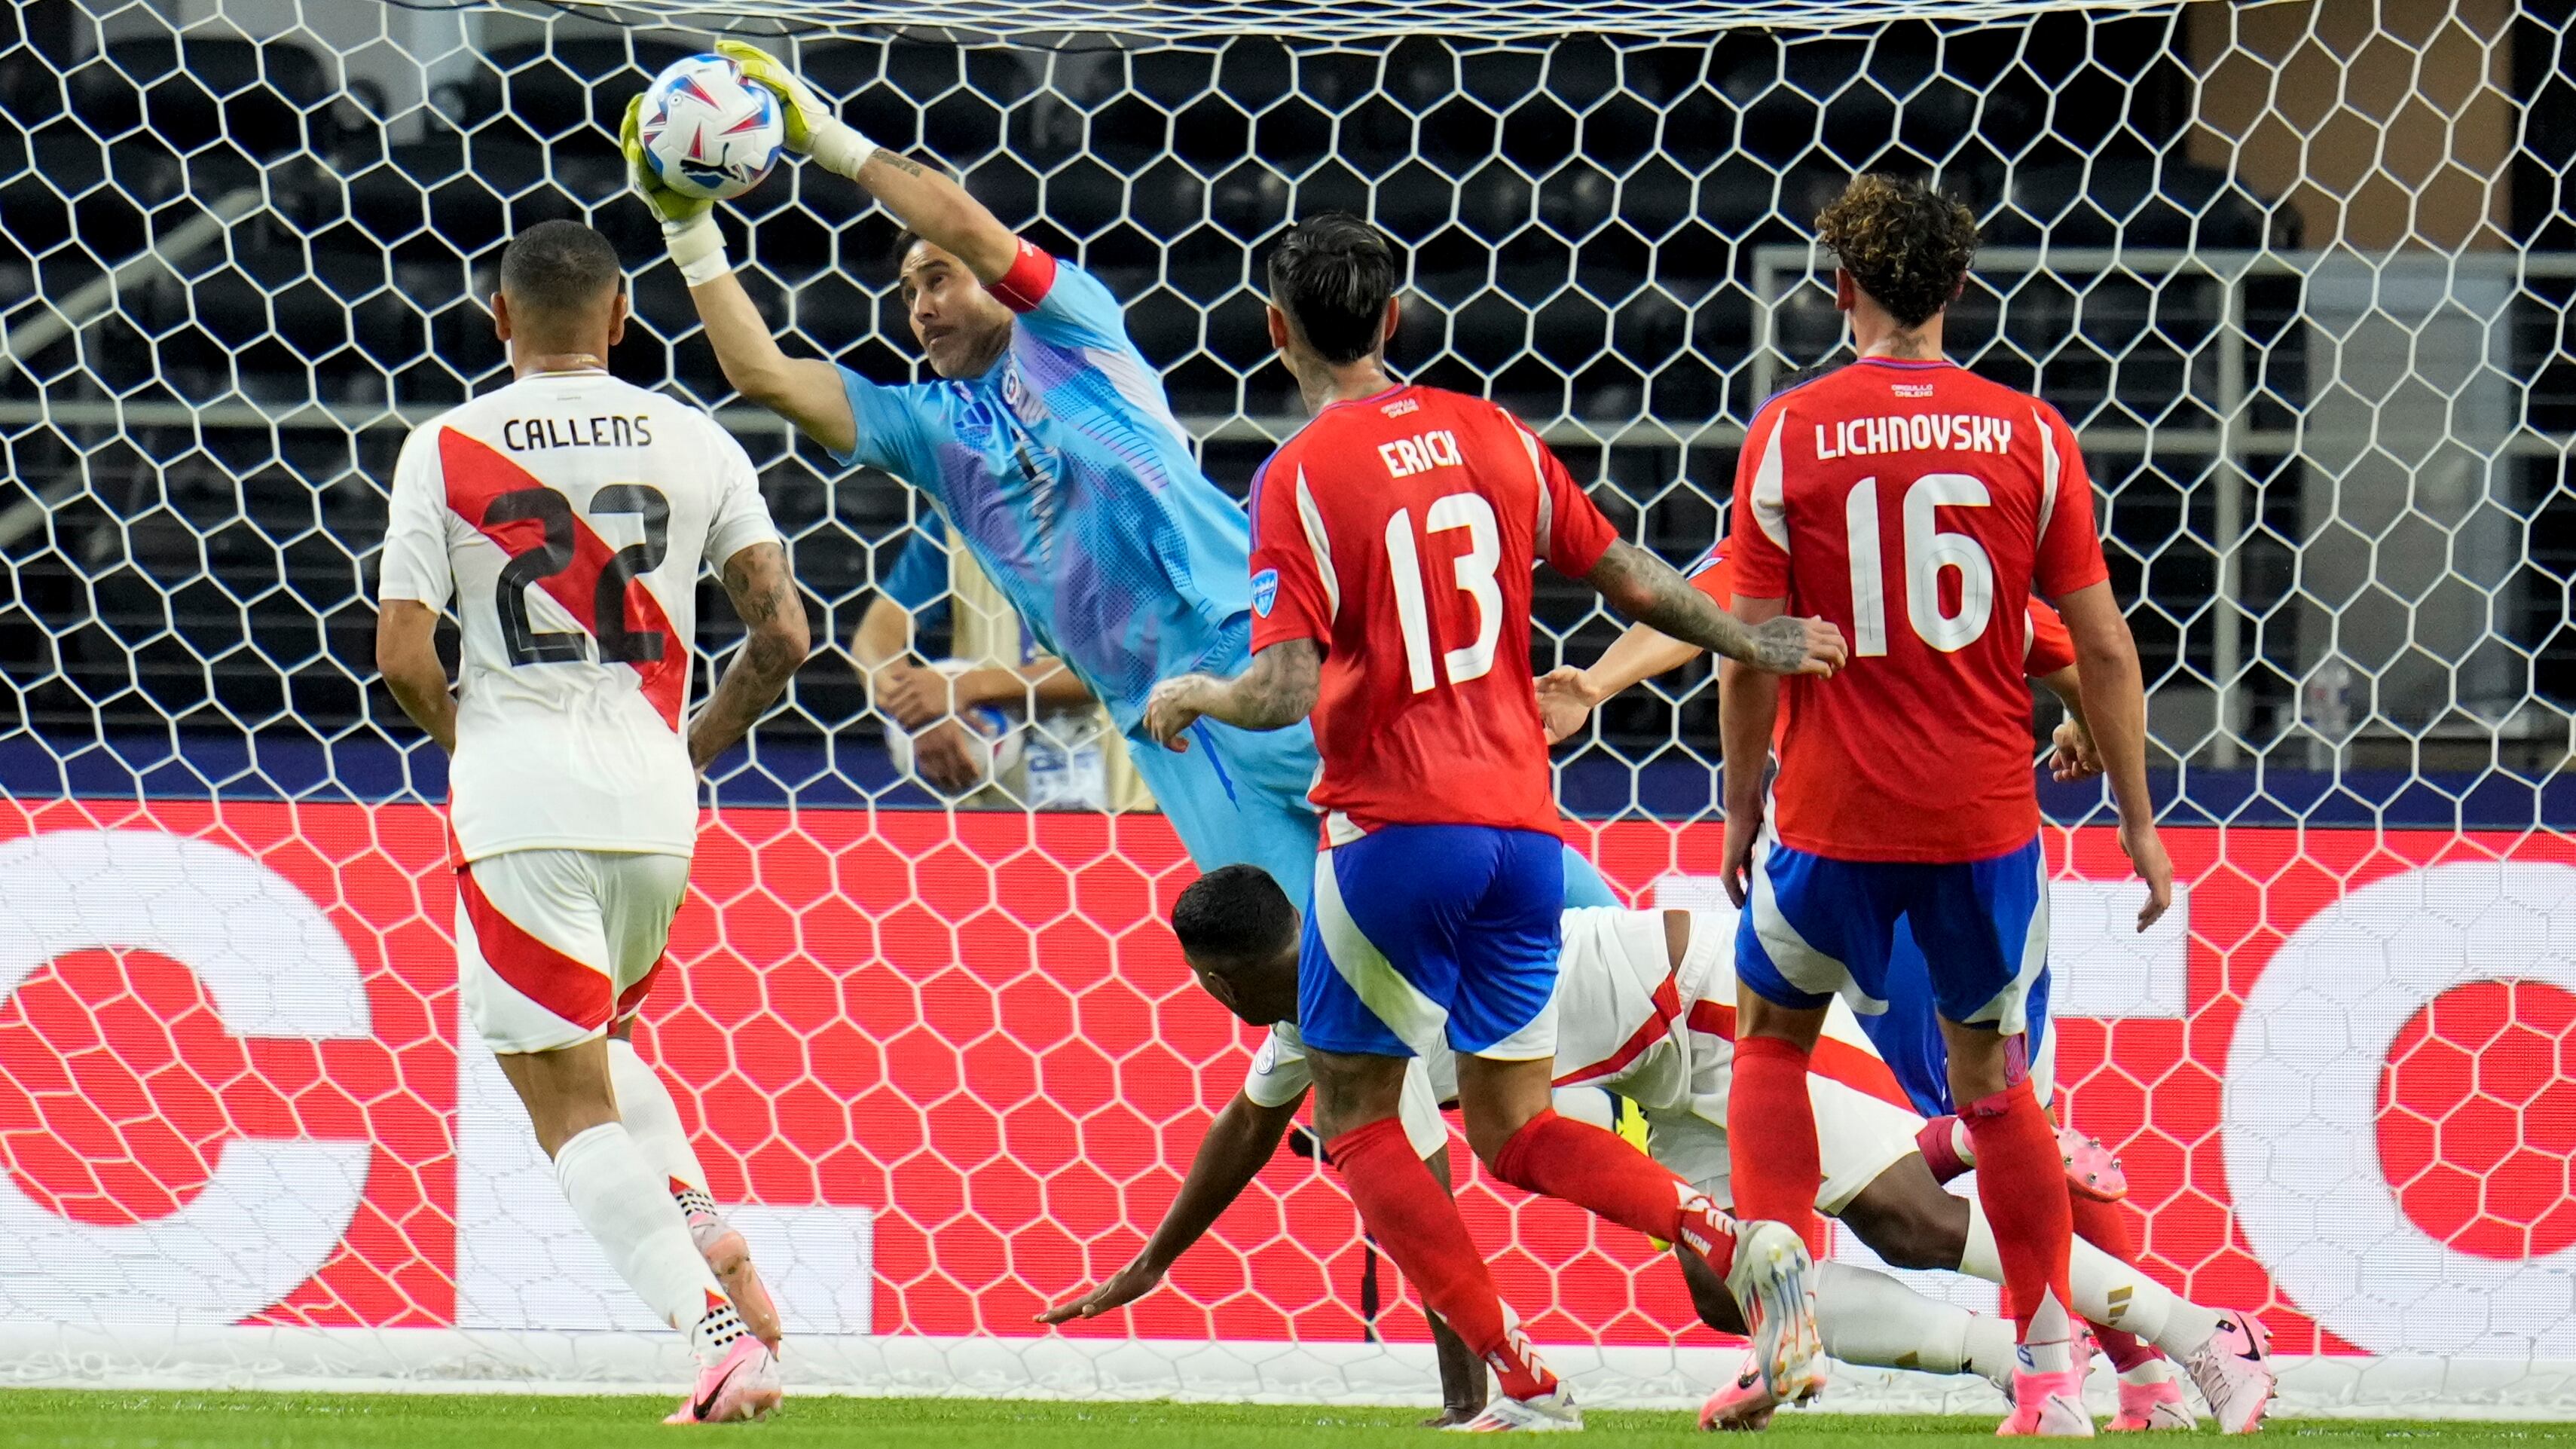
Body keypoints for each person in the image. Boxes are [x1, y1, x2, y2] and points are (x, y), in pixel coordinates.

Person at [1138, 213, 1847, 1430]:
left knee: (1355, 1116)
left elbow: (1285, 687)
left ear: (1273, 328)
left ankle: (1520, 1378)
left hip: (1394, 834)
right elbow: (1627, 571)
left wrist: (1197, 692)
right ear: (1393, 318)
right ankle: (1726, 1233)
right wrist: (1750, 637)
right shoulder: (1495, 434)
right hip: (1525, 834)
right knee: (1514, 1124)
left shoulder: (1296, 474)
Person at [621, 44, 1616, 909]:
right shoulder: (924, 428)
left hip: (1268, 652)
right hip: (1161, 725)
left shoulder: (1072, 332)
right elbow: (762, 375)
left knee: (1494, 865)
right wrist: (685, 228)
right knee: (1295, 966)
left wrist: (827, 140)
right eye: (906, 290)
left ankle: (1650, 982)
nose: (919, 306)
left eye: (938, 277)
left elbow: (967, 224)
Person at [1705, 175, 2255, 1438]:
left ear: (1837, 290)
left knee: (1769, 1041)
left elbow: (1747, 647)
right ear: (1957, 288)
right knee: (1996, 1091)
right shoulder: (2029, 433)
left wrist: (1739, 803)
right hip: (1981, 827)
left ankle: (1780, 1310)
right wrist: (2138, 820)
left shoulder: (1786, 430)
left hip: (1832, 819)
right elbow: (2100, 647)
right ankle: (2051, 1378)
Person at [1043, 866, 2268, 1432]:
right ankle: (2006, 1349)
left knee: (1904, 1220)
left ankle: (2197, 1330)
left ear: (1218, 975)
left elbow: (1423, 1212)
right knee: (1723, 1284)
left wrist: (1473, 1400)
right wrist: (1154, 1260)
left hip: (1704, 1001)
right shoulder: (1315, 1011)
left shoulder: (1357, 1014)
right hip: (1646, 1066)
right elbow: (1244, 1129)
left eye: (1209, 982)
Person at [1541, 541, 2263, 1432]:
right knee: (1914, 1153)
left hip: (1911, 871)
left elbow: (1703, 614)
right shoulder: (1920, 535)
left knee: (1951, 1144)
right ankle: (2120, 1368)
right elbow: (2082, 658)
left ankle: (2139, 1361)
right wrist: (2089, 735)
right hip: (1873, 869)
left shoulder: (1846, 526)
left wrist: (1601, 688)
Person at [373, 219, 805, 1424]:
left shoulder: (445, 444)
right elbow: (782, 635)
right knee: (600, 1045)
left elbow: (403, 654)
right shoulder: (700, 438)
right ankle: (698, 1219)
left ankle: (714, 1339)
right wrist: (686, 747)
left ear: (499, 317)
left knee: (561, 1101)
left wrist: (475, 746)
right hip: (655, 808)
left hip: (522, 798)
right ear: (621, 316)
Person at [853, 521, 1153, 810]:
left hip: (1127, 811)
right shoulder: (953, 519)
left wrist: (966, 688)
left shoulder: (1125, 516)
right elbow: (874, 639)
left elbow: (1131, 665)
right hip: (994, 818)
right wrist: (919, 711)